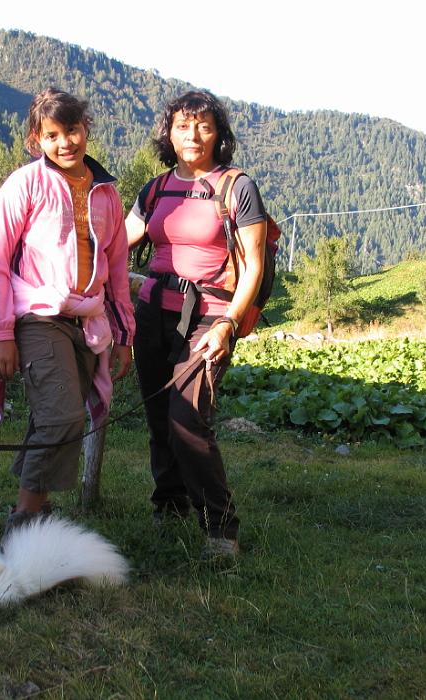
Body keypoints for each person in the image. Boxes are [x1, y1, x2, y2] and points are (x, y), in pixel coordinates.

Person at [0, 88, 135, 536]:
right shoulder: (24, 185)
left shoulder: (106, 195)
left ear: (87, 130)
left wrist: (123, 334)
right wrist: (2, 332)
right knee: (63, 416)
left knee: (54, 417)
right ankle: (24, 522)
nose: (66, 143)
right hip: (38, 316)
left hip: (88, 320)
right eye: (53, 135)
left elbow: (118, 269)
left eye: (74, 131)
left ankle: (35, 513)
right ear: (35, 140)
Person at [125, 90, 267, 558]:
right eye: (183, 126)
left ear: (218, 134)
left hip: (209, 316)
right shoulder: (156, 188)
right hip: (152, 311)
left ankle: (221, 530)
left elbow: (253, 267)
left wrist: (228, 323)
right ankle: (169, 508)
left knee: (188, 421)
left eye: (204, 126)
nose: (193, 135)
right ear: (169, 132)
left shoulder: (236, 186)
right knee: (158, 418)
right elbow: (116, 243)